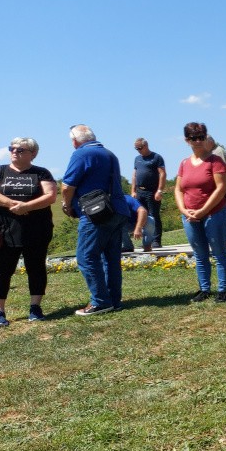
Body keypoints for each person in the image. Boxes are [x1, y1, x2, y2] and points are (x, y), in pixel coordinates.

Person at [0, 138, 56, 327]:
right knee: (1, 271)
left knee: (36, 268)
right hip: (5, 230)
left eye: (20, 149)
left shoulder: (41, 172)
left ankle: (35, 308)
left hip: (37, 229)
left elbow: (50, 196)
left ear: (33, 154)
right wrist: (12, 204)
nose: (14, 151)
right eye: (12, 148)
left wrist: (28, 206)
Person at [60, 125, 127, 316]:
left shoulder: (81, 154)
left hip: (96, 212)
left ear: (74, 140)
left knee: (86, 256)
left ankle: (100, 301)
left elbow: (67, 186)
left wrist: (67, 205)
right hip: (118, 210)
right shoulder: (109, 153)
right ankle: (113, 300)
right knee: (111, 258)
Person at [175, 122, 226, 303]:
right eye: (194, 138)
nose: (198, 141)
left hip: (213, 214)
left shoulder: (216, 161)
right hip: (190, 217)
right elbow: (178, 189)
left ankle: (223, 290)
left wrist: (203, 211)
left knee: (219, 252)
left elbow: (221, 188)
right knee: (199, 254)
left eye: (201, 137)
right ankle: (204, 289)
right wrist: (184, 210)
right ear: (187, 140)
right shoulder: (184, 163)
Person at [130, 138, 166, 250]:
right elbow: (134, 175)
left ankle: (156, 240)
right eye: (136, 148)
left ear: (146, 145)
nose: (138, 150)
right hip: (140, 191)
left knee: (154, 215)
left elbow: (162, 174)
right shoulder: (137, 159)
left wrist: (159, 190)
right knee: (142, 215)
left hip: (152, 191)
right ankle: (147, 241)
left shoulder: (156, 157)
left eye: (140, 148)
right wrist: (133, 191)